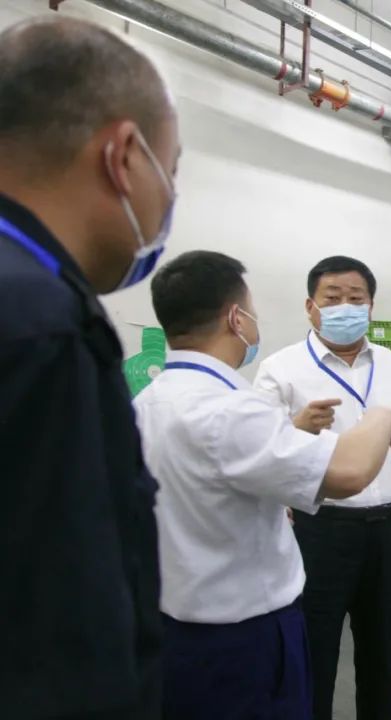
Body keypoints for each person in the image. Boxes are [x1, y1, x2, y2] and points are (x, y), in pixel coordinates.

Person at [135, 251, 391, 720]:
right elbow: (347, 473)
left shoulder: (145, 404)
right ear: (235, 318)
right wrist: (385, 415)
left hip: (175, 621)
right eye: (252, 310)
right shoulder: (234, 409)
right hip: (244, 629)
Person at [0, 16, 179, 718]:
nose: (169, 199)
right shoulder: (41, 325)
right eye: (172, 170)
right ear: (124, 155)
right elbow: (61, 631)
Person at [254, 255, 391, 720]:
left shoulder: (390, 364)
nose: (344, 307)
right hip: (318, 532)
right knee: (315, 659)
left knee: (381, 658)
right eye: (332, 298)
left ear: (371, 306)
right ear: (310, 306)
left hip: (385, 532)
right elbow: (259, 454)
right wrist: (296, 425)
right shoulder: (280, 369)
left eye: (356, 298)